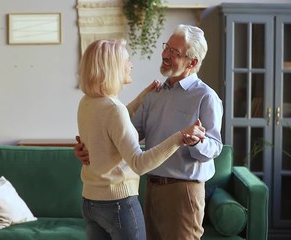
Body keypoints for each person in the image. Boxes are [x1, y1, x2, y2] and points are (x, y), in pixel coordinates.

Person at [76, 39, 206, 240]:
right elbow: (139, 164)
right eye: (127, 61)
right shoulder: (113, 109)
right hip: (118, 204)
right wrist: (179, 138)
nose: (131, 65)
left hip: (90, 202)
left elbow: (111, 125)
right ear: (113, 67)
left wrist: (141, 98)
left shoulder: (87, 102)